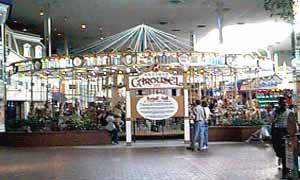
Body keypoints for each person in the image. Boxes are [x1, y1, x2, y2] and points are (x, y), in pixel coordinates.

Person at [271, 97, 290, 178]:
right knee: (277, 148)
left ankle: (286, 171)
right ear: (279, 104)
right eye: (282, 103)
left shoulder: (289, 112)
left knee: (286, 151)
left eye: (285, 103)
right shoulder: (275, 112)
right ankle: (280, 157)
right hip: (277, 132)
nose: (284, 104)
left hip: (286, 132)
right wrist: (274, 119)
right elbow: (272, 120)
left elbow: (292, 122)